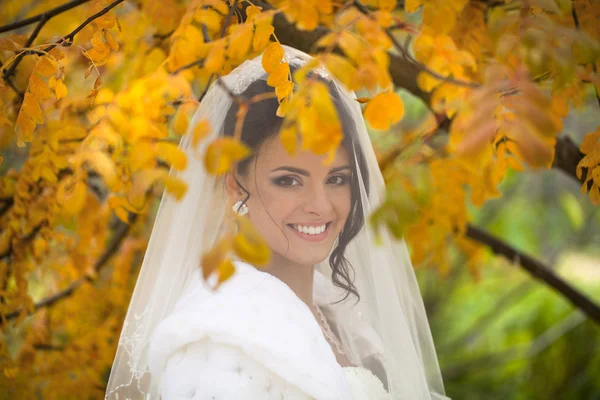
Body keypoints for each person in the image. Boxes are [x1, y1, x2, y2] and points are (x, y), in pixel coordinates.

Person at [105, 45, 449, 400]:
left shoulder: (338, 311)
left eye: (337, 179)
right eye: (289, 180)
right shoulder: (218, 341)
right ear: (236, 184)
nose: (321, 206)